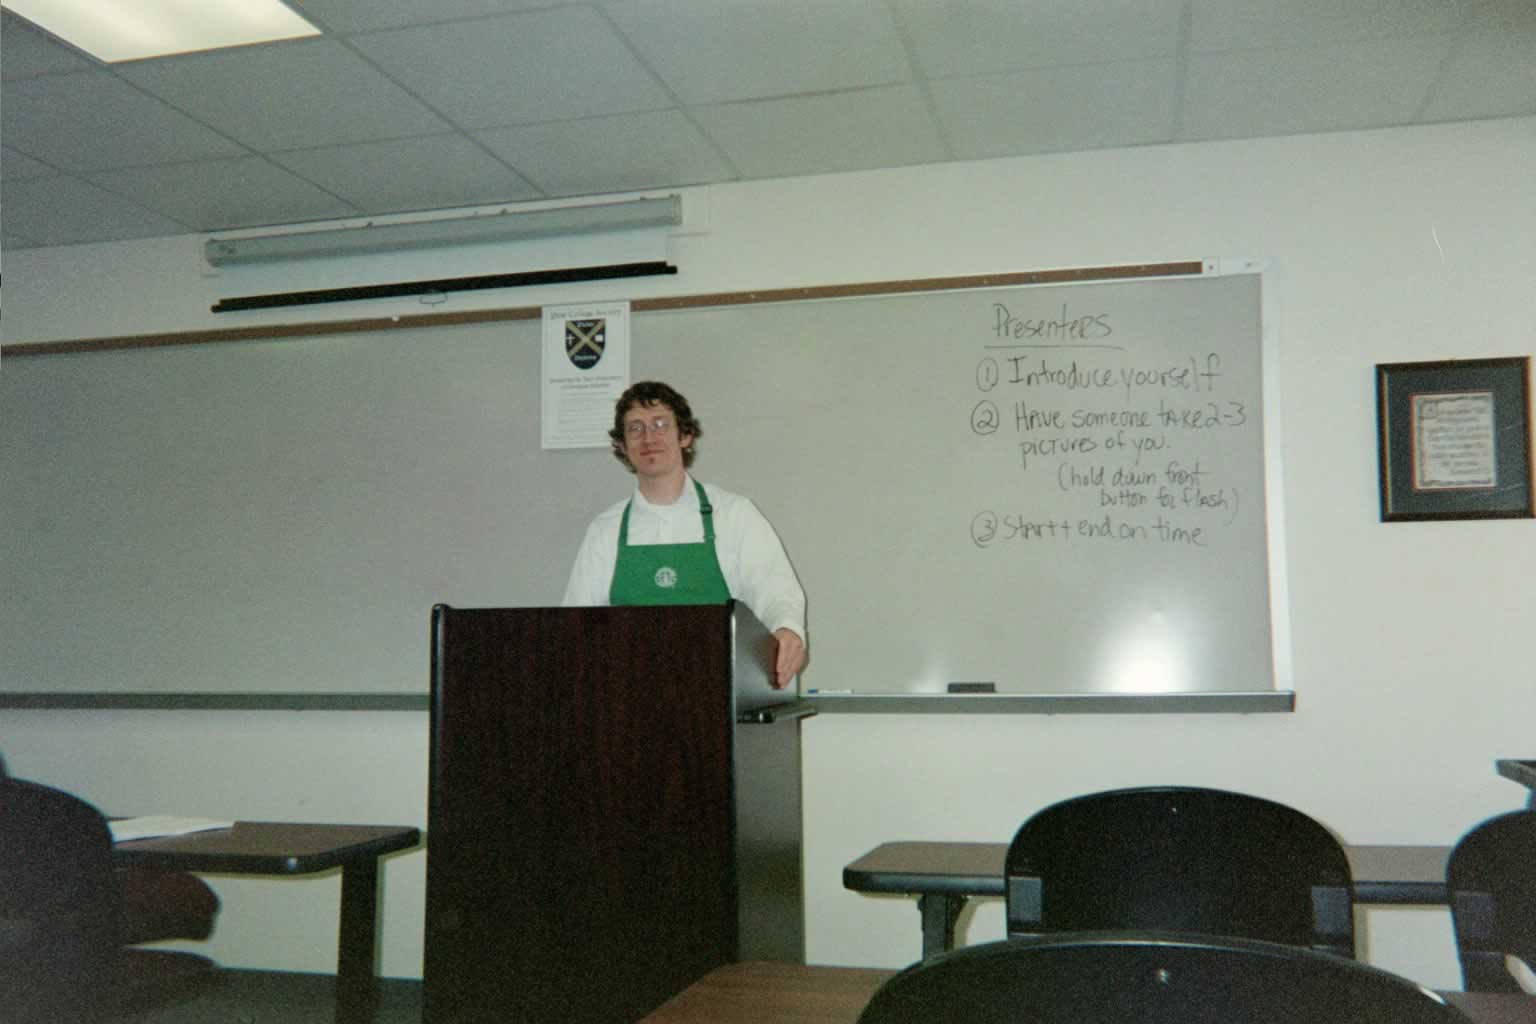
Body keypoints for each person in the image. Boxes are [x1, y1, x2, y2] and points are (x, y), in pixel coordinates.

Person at [562, 381, 807, 688]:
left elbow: (776, 592)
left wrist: (787, 630)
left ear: (685, 436)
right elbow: (575, 627)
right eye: (635, 429)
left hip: (720, 694)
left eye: (660, 424)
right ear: (623, 447)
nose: (649, 437)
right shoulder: (605, 530)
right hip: (626, 702)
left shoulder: (733, 515)